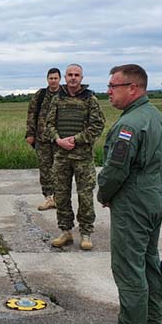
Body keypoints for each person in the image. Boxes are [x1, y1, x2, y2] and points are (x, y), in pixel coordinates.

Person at [95, 64, 162, 324]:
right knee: (150, 262)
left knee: (129, 267)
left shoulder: (129, 124)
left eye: (114, 86)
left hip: (134, 202)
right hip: (156, 197)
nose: (109, 91)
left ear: (133, 88)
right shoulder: (156, 117)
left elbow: (116, 169)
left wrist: (104, 193)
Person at [45, 64, 105, 250]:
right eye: (70, 75)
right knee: (61, 196)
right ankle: (66, 232)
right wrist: (58, 140)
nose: (73, 78)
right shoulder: (57, 99)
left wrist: (76, 139)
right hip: (61, 156)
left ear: (81, 77)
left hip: (82, 158)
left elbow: (97, 125)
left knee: (85, 196)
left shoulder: (90, 99)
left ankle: (86, 233)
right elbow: (48, 124)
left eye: (76, 75)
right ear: (65, 77)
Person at [26, 68, 62, 211]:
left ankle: (59, 198)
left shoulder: (65, 94)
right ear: (47, 79)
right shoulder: (40, 95)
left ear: (60, 79)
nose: (53, 81)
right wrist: (30, 134)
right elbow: (31, 114)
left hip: (60, 139)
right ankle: (48, 198)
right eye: (50, 78)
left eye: (55, 78)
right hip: (42, 139)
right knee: (45, 169)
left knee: (60, 169)